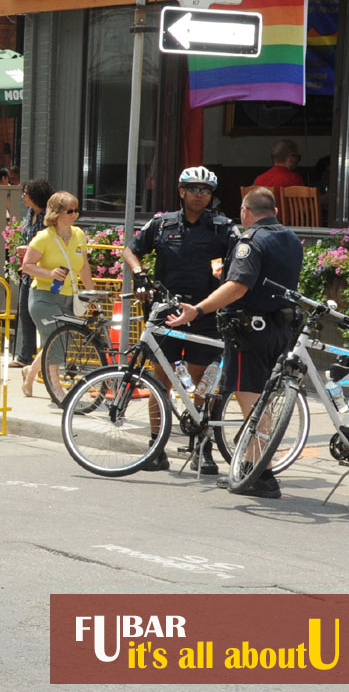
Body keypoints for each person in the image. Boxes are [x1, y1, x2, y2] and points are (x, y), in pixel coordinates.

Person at [167, 187, 303, 499]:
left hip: (249, 331)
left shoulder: (251, 241)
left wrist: (198, 309)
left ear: (245, 212)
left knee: (252, 403)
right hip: (280, 329)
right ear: (275, 212)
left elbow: (238, 286)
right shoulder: (291, 239)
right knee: (263, 402)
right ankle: (252, 467)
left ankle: (261, 474)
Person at [123, 166, 238, 473]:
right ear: (181, 191)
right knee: (159, 381)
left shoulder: (223, 227)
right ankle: (155, 446)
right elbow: (130, 250)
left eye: (206, 191)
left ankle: (202, 445)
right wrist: (139, 274)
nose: (200, 195)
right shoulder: (162, 223)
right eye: (194, 189)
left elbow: (242, 261)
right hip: (166, 312)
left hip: (204, 313)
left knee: (202, 382)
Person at [19, 191, 95, 398]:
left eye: (76, 210)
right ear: (57, 213)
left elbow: (84, 267)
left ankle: (30, 372)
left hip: (69, 296)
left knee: (58, 340)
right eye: (70, 211)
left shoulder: (79, 234)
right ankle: (57, 390)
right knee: (56, 341)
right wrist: (49, 273)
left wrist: (91, 294)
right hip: (44, 297)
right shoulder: (43, 238)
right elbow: (26, 266)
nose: (74, 215)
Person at [9, 178, 54, 369]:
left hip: (43, 273)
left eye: (26, 194)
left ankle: (48, 356)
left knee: (41, 316)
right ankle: (25, 355)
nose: (23, 197)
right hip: (28, 271)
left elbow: (49, 244)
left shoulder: (48, 217)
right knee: (25, 313)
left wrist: (29, 249)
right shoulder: (29, 213)